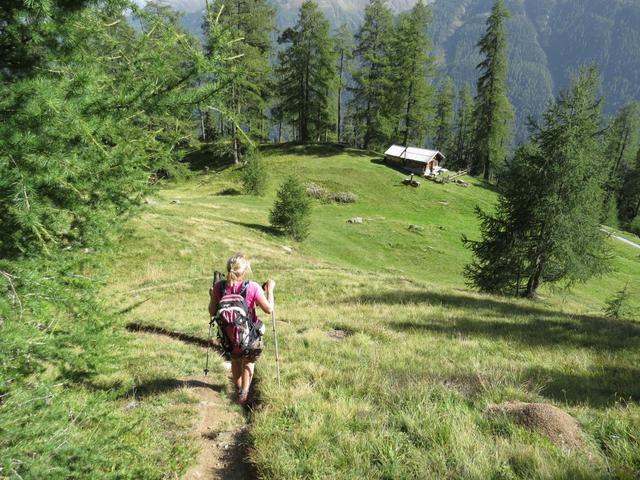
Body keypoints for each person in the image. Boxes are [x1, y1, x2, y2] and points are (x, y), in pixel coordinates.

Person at [208, 253, 275, 405]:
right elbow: (269, 309)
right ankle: (244, 394)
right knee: (248, 361)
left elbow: (212, 312)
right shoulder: (252, 287)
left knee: (236, 360)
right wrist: (270, 289)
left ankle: (238, 390)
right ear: (244, 271)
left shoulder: (219, 287)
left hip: (228, 335)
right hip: (249, 334)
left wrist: (212, 296)